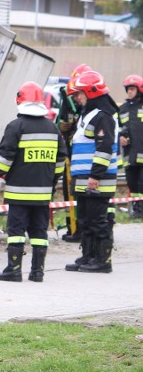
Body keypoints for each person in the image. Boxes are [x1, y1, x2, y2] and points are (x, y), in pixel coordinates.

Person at [0, 82, 67, 282]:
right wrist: (52, 180)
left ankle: (13, 270)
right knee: (39, 231)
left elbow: (5, 158)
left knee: (16, 232)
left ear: (19, 100)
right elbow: (60, 160)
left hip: (19, 193)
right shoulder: (52, 128)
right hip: (42, 194)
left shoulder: (16, 126)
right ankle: (37, 272)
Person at [65, 71, 119, 273]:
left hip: (97, 180)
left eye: (80, 94)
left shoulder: (103, 117)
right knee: (86, 221)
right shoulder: (88, 117)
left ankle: (103, 261)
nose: (77, 98)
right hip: (84, 179)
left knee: (98, 221)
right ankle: (88, 256)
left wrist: (95, 176)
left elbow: (104, 148)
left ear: (92, 93)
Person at [57, 64, 92, 243]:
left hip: (78, 158)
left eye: (78, 93)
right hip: (79, 156)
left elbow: (66, 123)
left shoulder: (90, 110)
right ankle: (76, 227)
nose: (76, 98)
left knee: (76, 193)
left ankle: (79, 229)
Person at [118, 74, 143, 219]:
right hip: (129, 155)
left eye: (132, 89)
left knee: (142, 184)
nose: (129, 92)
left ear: (139, 90)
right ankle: (137, 210)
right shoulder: (123, 109)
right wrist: (121, 136)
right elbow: (119, 128)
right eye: (128, 89)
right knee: (132, 184)